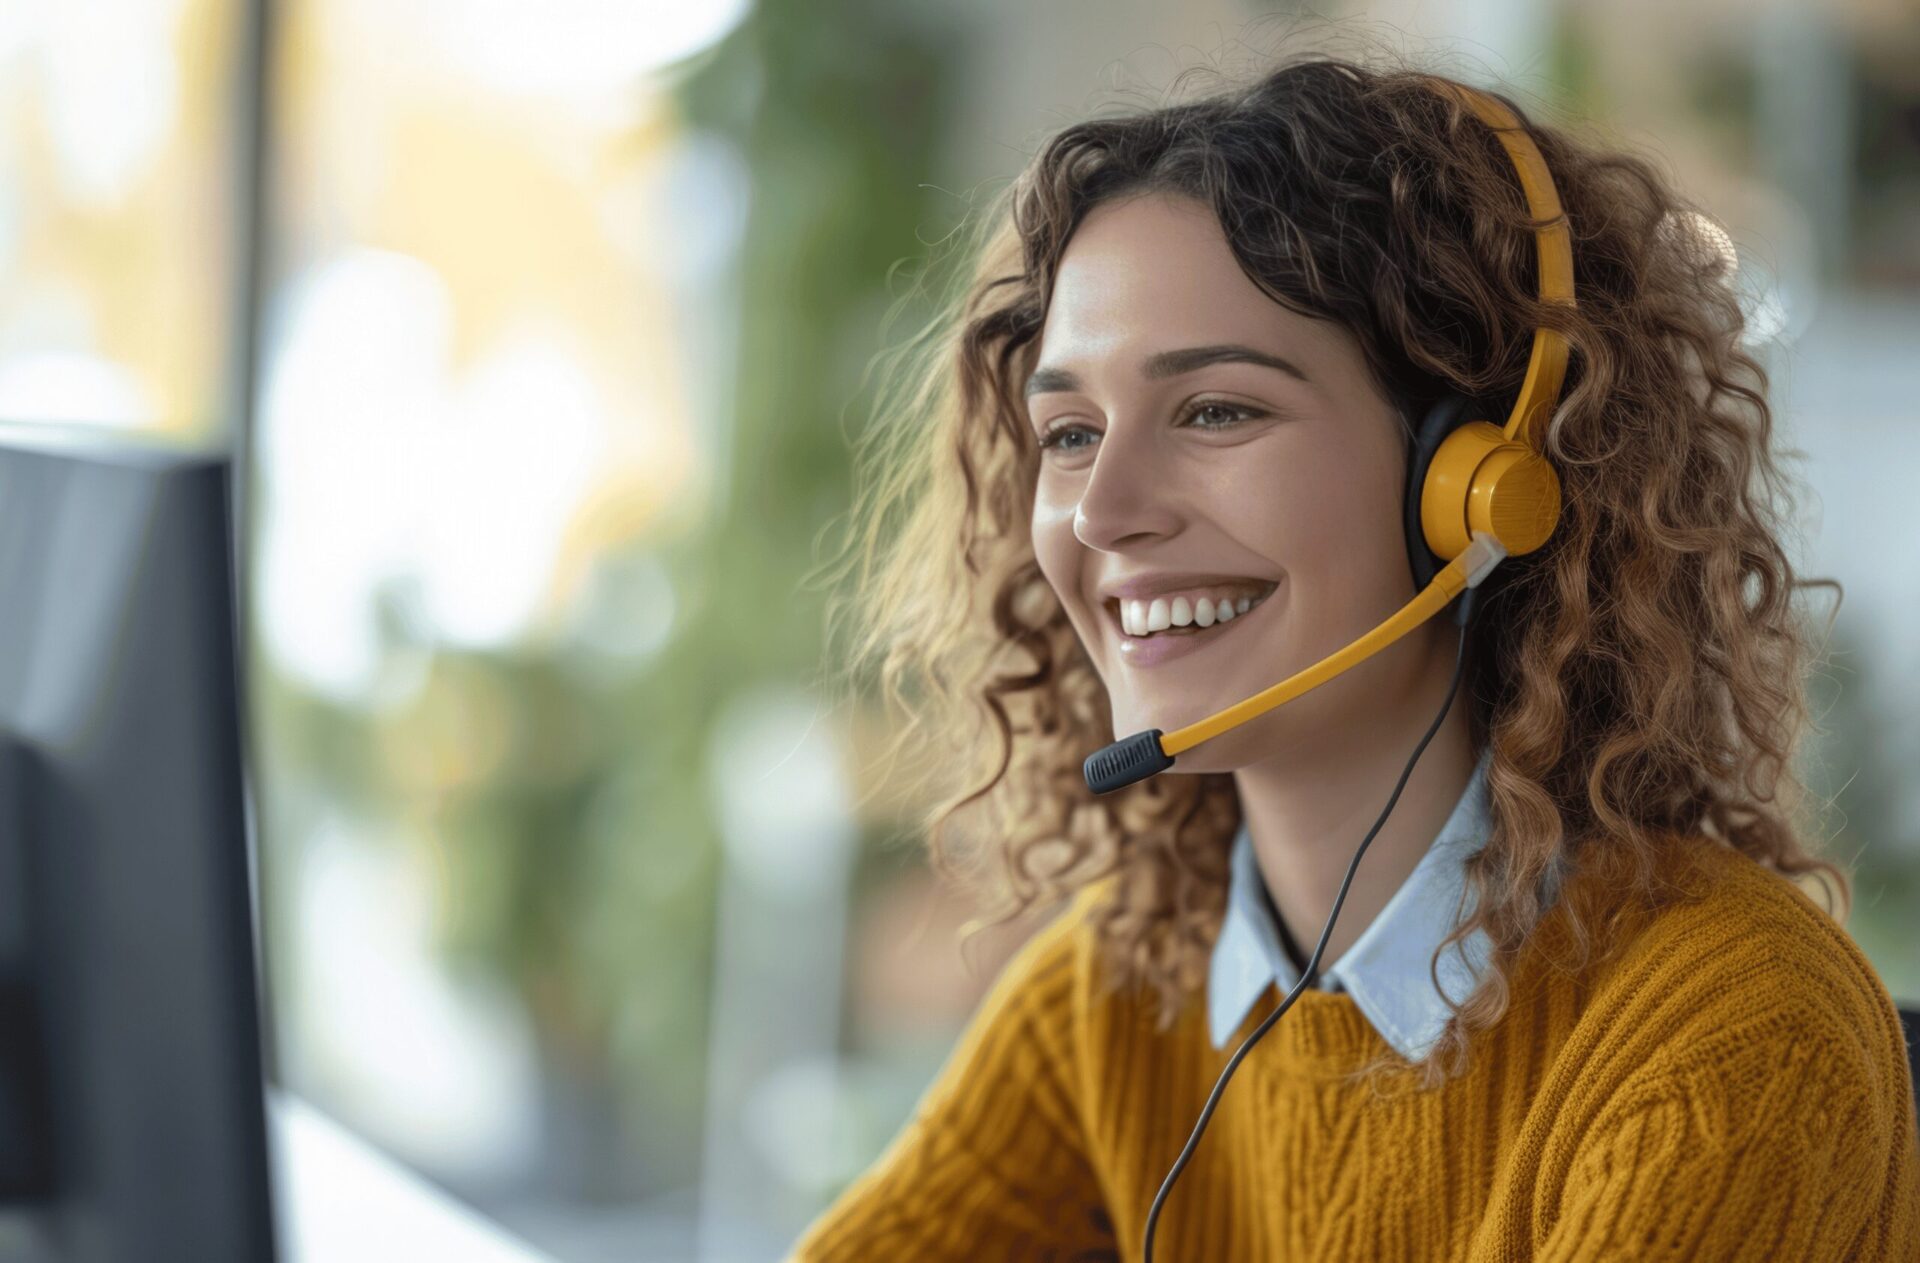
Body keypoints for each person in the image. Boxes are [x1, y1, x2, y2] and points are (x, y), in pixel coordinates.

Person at [791, 52, 1920, 1261]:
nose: (1102, 510)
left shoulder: (1730, 1033)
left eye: (1217, 409)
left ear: (1477, 493)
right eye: (1069, 432)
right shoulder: (1112, 1005)